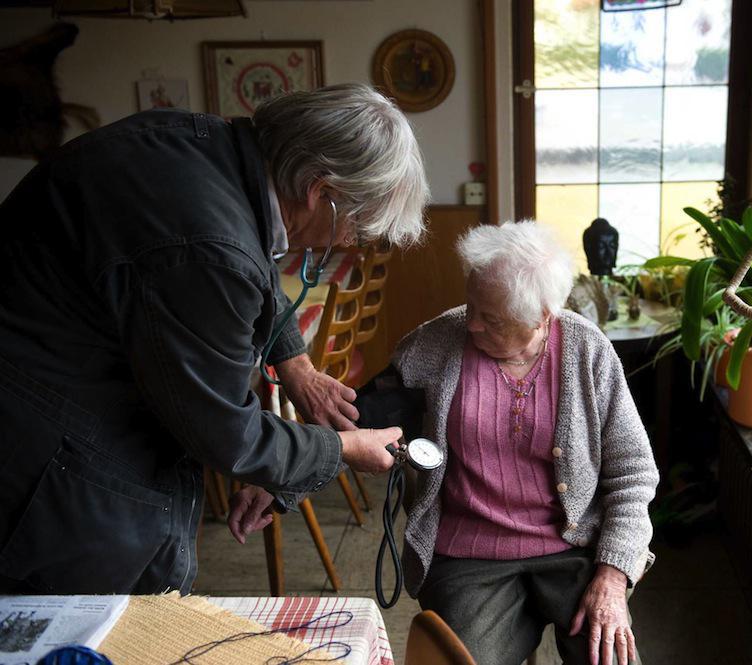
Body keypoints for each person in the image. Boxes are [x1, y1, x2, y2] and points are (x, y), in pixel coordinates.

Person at [0, 83, 429, 595]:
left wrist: (295, 364)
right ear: (319, 190)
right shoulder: (209, 248)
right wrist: (340, 449)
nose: (349, 242)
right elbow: (229, 435)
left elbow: (250, 260)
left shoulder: (207, 149)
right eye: (355, 225)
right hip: (47, 458)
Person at [233, 221, 658, 664]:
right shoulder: (436, 344)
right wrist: (282, 478)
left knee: (610, 657)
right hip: (469, 554)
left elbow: (633, 472)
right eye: (471, 303)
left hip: (575, 549)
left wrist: (612, 574)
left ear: (542, 317)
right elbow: (361, 424)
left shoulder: (587, 351)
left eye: (490, 318)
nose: (470, 323)